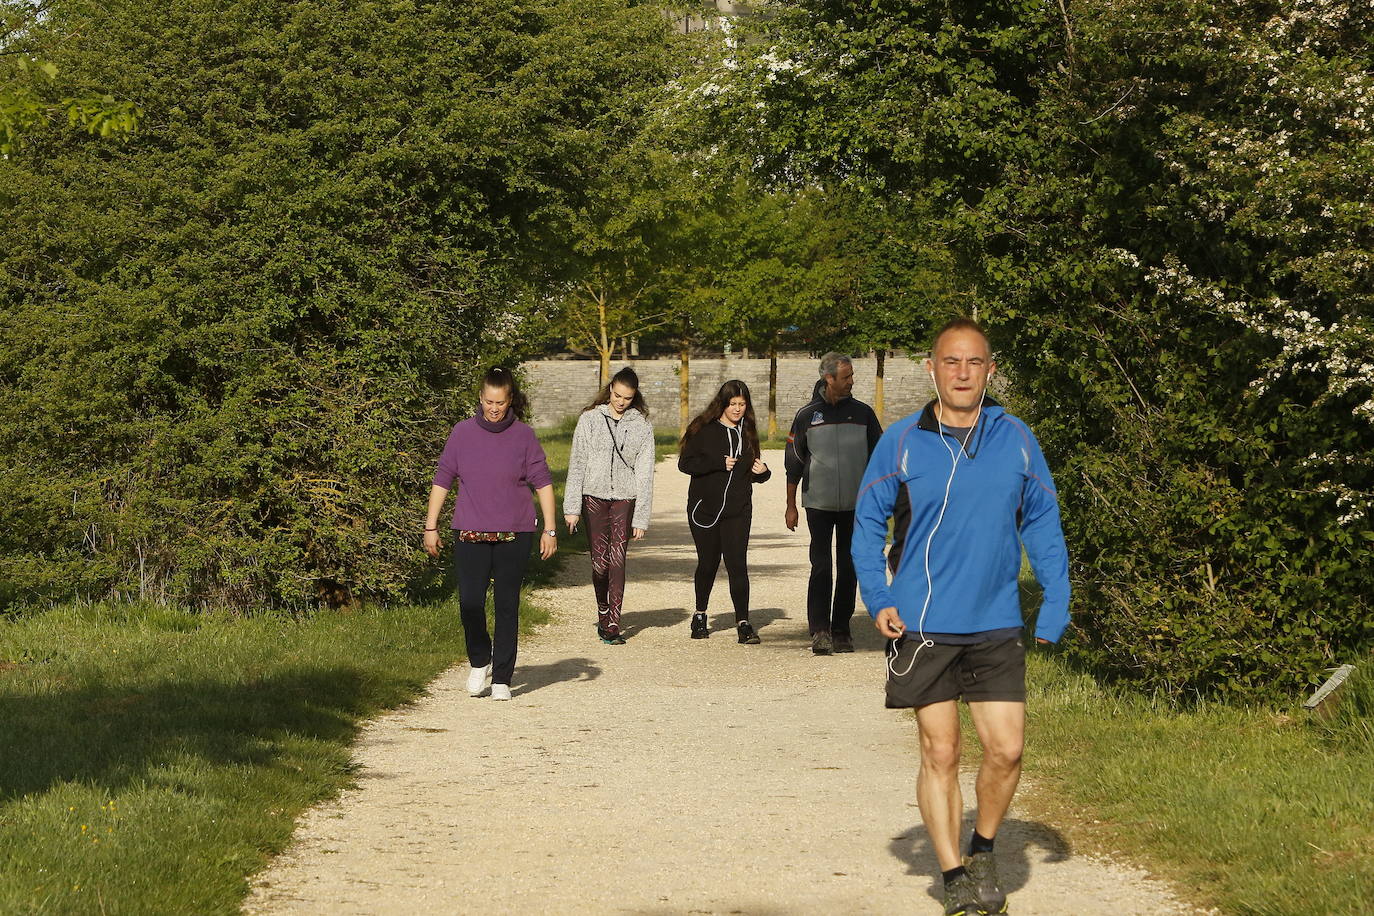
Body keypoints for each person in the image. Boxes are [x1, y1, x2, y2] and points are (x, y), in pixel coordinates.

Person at [851, 318, 1069, 916]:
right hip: (921, 623)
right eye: (952, 361)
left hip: (995, 620)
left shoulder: (1017, 437)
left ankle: (984, 846)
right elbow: (866, 525)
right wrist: (879, 596)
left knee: (1007, 750)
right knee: (940, 751)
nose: (963, 372)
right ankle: (954, 878)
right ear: (931, 368)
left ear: (990, 370)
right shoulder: (900, 441)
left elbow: (1042, 522)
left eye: (974, 362)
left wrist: (1056, 600)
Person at [424, 367, 558, 702]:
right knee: (470, 602)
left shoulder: (524, 435)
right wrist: (431, 525)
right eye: (488, 401)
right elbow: (443, 479)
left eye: (500, 402)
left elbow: (542, 482)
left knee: (506, 604)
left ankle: (502, 677)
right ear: (480, 398)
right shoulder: (462, 433)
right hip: (469, 532)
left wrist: (550, 529)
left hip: (515, 533)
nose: (494, 408)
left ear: (510, 399)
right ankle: (479, 659)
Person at [784, 352, 883, 655]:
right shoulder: (806, 416)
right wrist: (791, 505)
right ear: (829, 379)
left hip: (857, 505)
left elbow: (880, 460)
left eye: (852, 376)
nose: (852, 381)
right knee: (822, 566)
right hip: (819, 504)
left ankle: (841, 630)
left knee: (849, 565)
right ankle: (820, 631)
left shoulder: (864, 414)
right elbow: (794, 462)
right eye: (846, 377)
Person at [562, 367, 657, 645]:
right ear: (610, 390)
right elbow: (577, 463)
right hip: (594, 495)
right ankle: (602, 608)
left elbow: (645, 473)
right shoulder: (590, 420)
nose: (620, 401)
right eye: (616, 395)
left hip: (625, 498)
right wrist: (571, 507)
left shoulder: (642, 426)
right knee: (599, 563)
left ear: (634, 396)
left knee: (617, 560)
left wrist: (641, 518)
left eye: (627, 398)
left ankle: (613, 622)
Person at [678, 380, 772, 644]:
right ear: (723, 403)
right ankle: (699, 615)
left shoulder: (748, 431)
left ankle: (743, 622)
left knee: (737, 565)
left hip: (738, 510)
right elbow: (685, 464)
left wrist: (764, 473)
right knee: (707, 564)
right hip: (704, 509)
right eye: (733, 404)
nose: (738, 409)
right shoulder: (703, 428)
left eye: (742, 405)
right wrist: (717, 463)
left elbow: (752, 471)